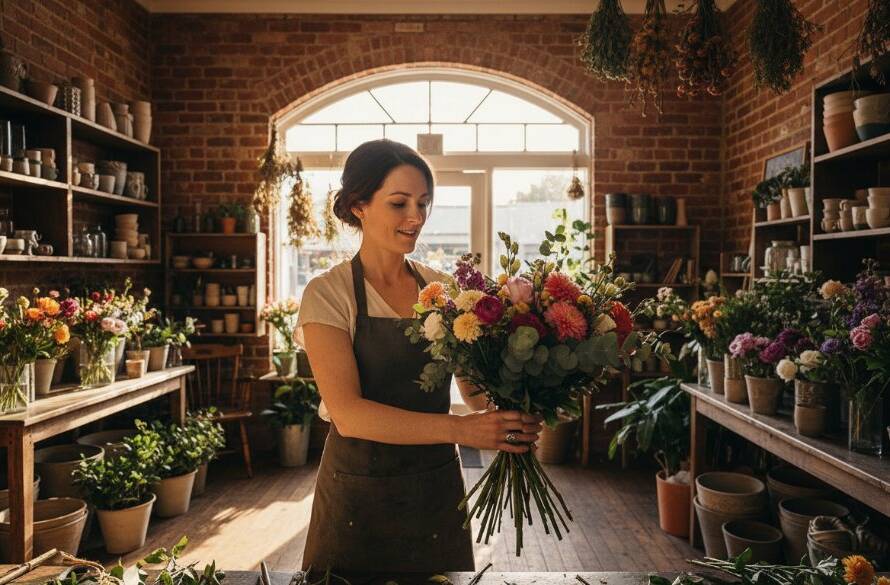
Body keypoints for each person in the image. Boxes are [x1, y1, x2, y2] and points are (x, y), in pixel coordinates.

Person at [297, 139, 543, 572]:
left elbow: (474, 393)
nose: (416, 217)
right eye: (399, 203)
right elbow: (349, 414)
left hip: (436, 491)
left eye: (424, 203)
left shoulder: (444, 290)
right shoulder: (328, 293)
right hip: (357, 491)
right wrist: (462, 431)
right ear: (359, 205)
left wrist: (515, 413)